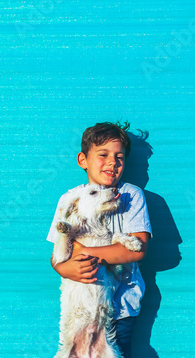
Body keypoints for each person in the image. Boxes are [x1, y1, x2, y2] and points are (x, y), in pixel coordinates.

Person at [46, 121, 152, 358]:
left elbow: (137, 249)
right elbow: (57, 257)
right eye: (103, 154)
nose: (113, 162)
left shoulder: (130, 196)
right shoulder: (69, 199)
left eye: (119, 157)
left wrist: (85, 252)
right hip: (80, 312)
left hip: (121, 309)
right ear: (82, 160)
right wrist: (66, 268)